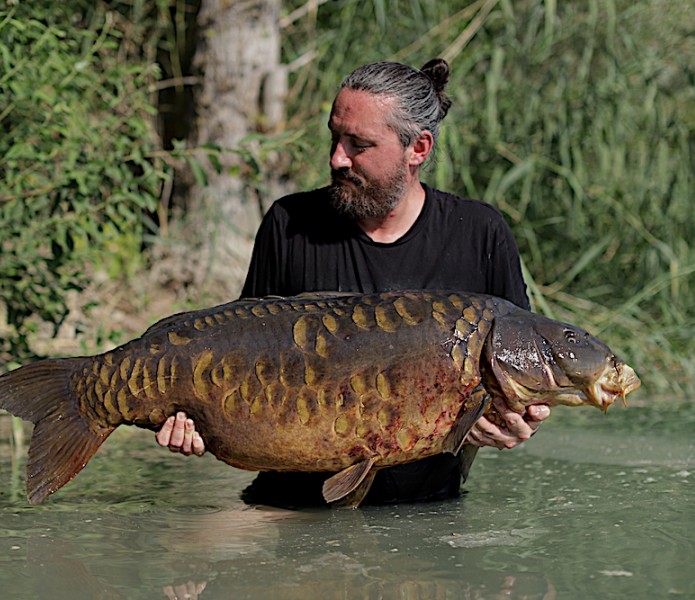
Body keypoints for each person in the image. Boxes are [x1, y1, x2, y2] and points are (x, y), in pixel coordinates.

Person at [155, 58, 550, 506]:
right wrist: (199, 417)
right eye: (334, 137)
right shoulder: (290, 223)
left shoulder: (479, 233)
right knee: (182, 564)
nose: (336, 158)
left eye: (358, 144)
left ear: (417, 148)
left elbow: (520, 377)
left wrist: (514, 420)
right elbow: (242, 359)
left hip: (426, 509)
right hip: (287, 503)